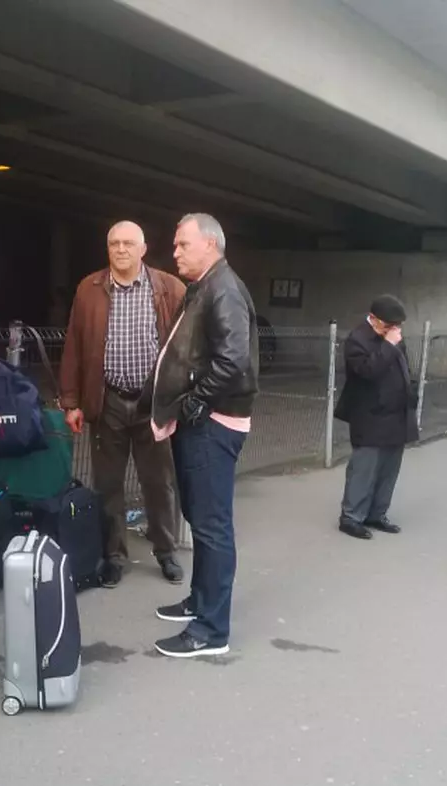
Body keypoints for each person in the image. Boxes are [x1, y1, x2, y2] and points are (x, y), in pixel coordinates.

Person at [144, 213, 258, 658]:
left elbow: (234, 358)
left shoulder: (222, 288)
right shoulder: (209, 285)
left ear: (209, 244)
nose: (174, 252)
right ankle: (201, 602)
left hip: (212, 425)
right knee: (201, 517)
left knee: (211, 526)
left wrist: (198, 400)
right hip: (203, 421)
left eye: (182, 244)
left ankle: (211, 630)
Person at [59, 220, 186, 588]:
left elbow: (187, 346)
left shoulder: (169, 288)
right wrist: (71, 401)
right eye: (114, 243)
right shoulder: (89, 289)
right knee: (108, 484)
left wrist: (182, 395)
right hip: (108, 400)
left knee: (159, 482)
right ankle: (113, 555)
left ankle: (165, 550)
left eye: (129, 243)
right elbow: (74, 348)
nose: (120, 249)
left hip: (153, 404)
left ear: (143, 249)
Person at [335, 295, 418, 540]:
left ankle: (376, 513)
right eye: (388, 325)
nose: (394, 330)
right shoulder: (357, 340)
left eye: (397, 325)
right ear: (373, 319)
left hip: (397, 414)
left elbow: (404, 367)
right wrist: (389, 345)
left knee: (388, 468)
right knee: (365, 468)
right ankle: (351, 517)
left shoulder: (393, 338)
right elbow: (367, 371)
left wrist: (410, 390)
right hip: (370, 414)